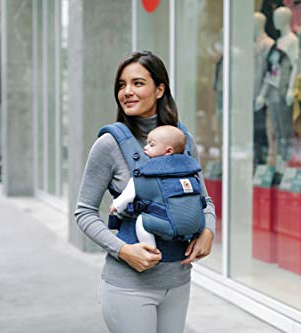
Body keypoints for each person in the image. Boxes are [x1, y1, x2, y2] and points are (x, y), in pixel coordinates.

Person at [74, 51, 216, 333]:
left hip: (178, 281)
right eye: (121, 85)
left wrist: (208, 231)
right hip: (129, 286)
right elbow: (84, 212)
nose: (127, 92)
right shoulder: (108, 145)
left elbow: (204, 199)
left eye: (137, 83)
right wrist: (123, 250)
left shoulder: (182, 141)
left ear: (160, 89)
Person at [109, 125, 194, 248]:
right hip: (193, 223)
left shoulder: (149, 172)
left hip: (168, 223)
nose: (145, 147)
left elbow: (131, 191)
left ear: (168, 151)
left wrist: (116, 205)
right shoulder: (187, 169)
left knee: (141, 222)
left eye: (151, 145)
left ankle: (150, 249)